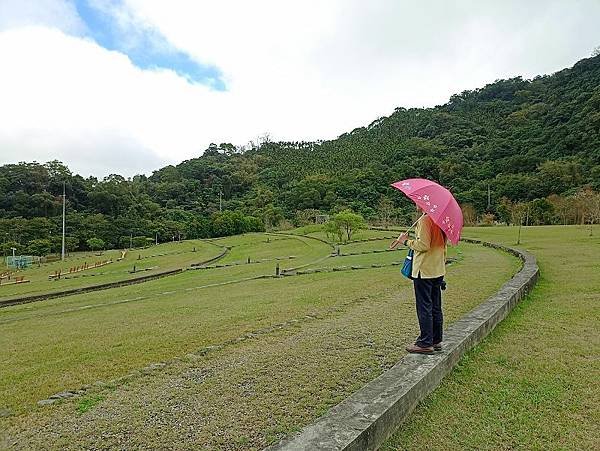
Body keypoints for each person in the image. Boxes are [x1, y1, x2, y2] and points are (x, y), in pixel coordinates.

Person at [390, 211, 447, 354]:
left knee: (424, 307)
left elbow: (423, 245)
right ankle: (436, 339)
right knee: (435, 306)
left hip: (424, 270)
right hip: (437, 269)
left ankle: (425, 342)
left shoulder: (425, 220)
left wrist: (406, 241)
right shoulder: (440, 219)